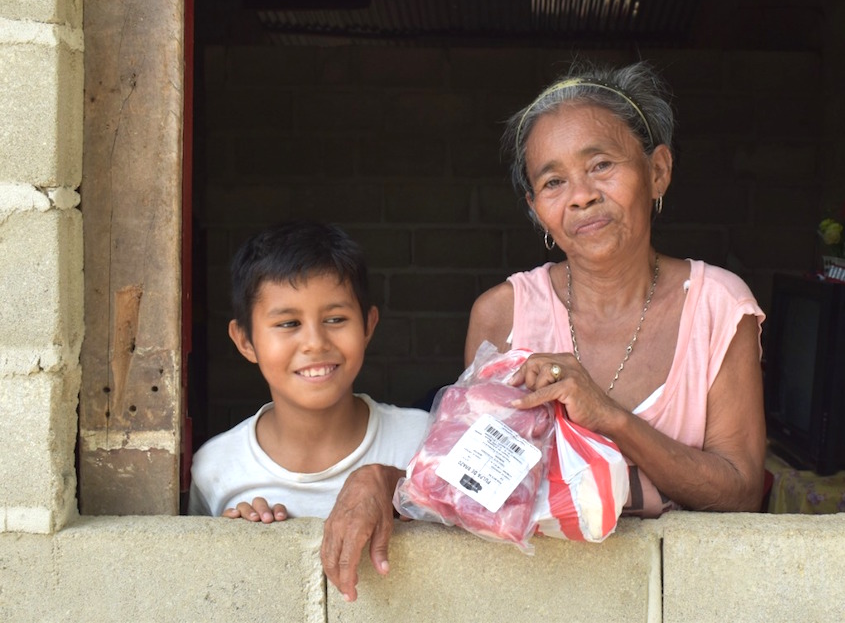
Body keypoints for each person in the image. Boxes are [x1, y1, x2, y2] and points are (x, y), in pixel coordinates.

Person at [321, 60, 767, 601]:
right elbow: (473, 493)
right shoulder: (503, 317)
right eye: (553, 181)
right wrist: (380, 479)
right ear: (536, 210)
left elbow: (741, 489)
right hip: (536, 598)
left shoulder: (719, 306)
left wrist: (610, 418)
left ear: (658, 172)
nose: (580, 195)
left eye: (601, 165)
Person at [188, 221, 430, 522]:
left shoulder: (423, 441)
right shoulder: (216, 468)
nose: (315, 343)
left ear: (368, 325)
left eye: (336, 319)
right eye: (289, 324)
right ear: (246, 341)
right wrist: (238, 546)